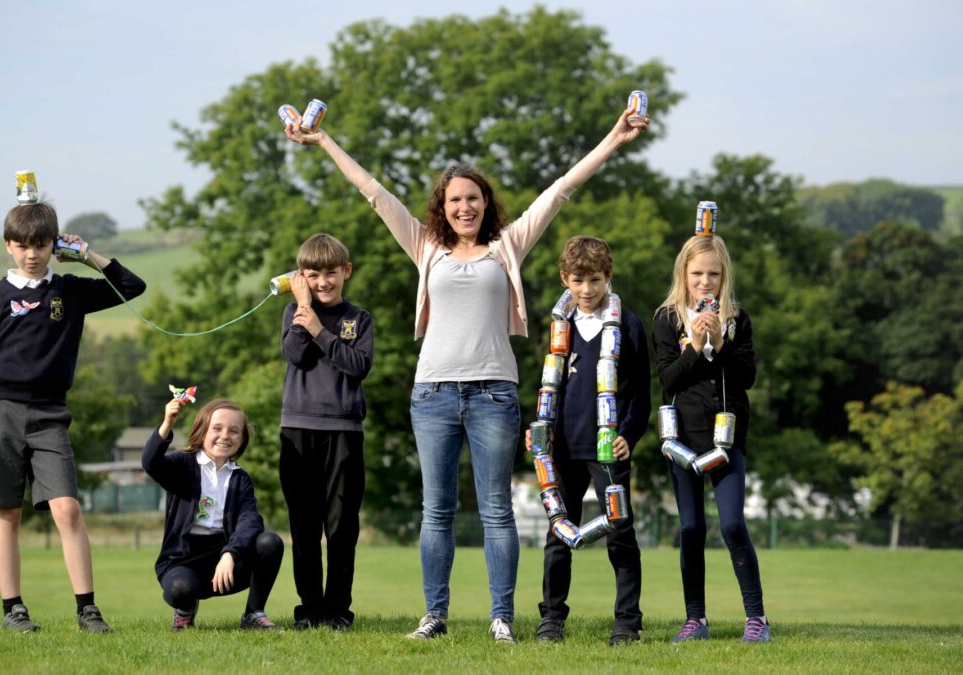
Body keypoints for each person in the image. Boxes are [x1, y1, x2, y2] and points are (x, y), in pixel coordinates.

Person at [285, 104, 647, 643]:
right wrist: (324, 141)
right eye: (454, 199)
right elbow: (373, 191)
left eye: (472, 198)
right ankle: (435, 615)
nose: (464, 207)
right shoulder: (425, 247)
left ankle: (501, 617)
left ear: (485, 203)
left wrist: (614, 140)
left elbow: (562, 187)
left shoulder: (508, 246)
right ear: (442, 206)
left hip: (494, 394)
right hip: (431, 393)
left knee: (497, 511)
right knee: (437, 511)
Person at [0, 201, 146, 633]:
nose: (31, 254)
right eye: (22, 246)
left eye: (40, 245)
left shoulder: (70, 292)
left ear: (53, 245)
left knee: (68, 510)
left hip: (50, 415)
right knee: (7, 513)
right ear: (8, 246)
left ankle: (88, 610)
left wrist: (87, 253)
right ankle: (13, 611)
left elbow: (133, 285)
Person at [652, 235, 770, 644]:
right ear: (684, 274)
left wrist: (719, 342)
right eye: (698, 273)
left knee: (733, 524)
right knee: (690, 528)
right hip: (681, 438)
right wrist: (694, 346)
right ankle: (695, 618)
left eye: (714, 275)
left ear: (724, 277)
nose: (705, 282)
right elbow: (667, 379)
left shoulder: (737, 318)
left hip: (726, 436)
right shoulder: (666, 319)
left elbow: (746, 378)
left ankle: (756, 618)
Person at [532, 236, 650, 646]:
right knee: (557, 535)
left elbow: (641, 395)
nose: (587, 289)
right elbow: (548, 387)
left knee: (620, 533)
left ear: (608, 277)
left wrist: (629, 436)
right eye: (578, 280)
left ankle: (627, 621)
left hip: (606, 449)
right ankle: (551, 619)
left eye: (595, 280)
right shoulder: (558, 327)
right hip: (563, 446)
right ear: (565, 278)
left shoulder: (629, 325)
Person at [279, 233, 373, 630]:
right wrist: (304, 310)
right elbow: (295, 355)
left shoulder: (359, 319)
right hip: (297, 429)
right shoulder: (293, 312)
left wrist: (319, 327)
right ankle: (310, 609)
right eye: (313, 275)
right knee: (304, 526)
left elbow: (358, 365)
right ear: (301, 276)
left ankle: (338, 610)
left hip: (344, 431)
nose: (323, 282)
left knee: (341, 526)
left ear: (345, 272)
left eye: (331, 273)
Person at [143, 397, 285, 631]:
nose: (225, 435)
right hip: (183, 560)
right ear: (202, 431)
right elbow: (151, 463)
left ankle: (253, 614)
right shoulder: (183, 465)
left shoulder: (241, 479)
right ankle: (185, 610)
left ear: (242, 439)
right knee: (180, 590)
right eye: (216, 428)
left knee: (270, 542)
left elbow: (250, 521)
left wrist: (230, 553)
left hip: (225, 560)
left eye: (234, 431)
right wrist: (167, 422)